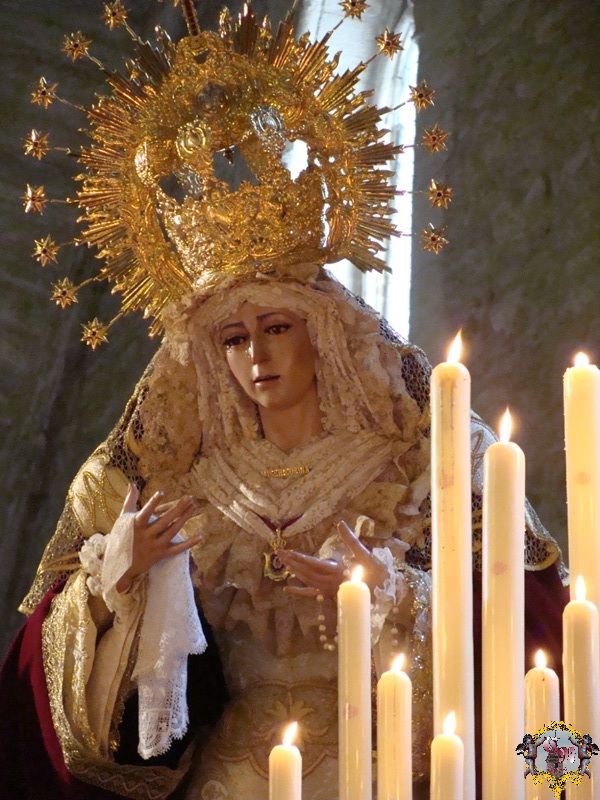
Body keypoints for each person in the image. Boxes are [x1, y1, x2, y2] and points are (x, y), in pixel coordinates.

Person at [0, 3, 568, 798]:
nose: (257, 355)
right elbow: (51, 692)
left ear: (323, 335)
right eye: (233, 339)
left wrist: (394, 598)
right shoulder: (178, 486)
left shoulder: (420, 461)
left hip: (381, 768)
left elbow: (527, 626)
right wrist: (110, 588)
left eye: (275, 328)